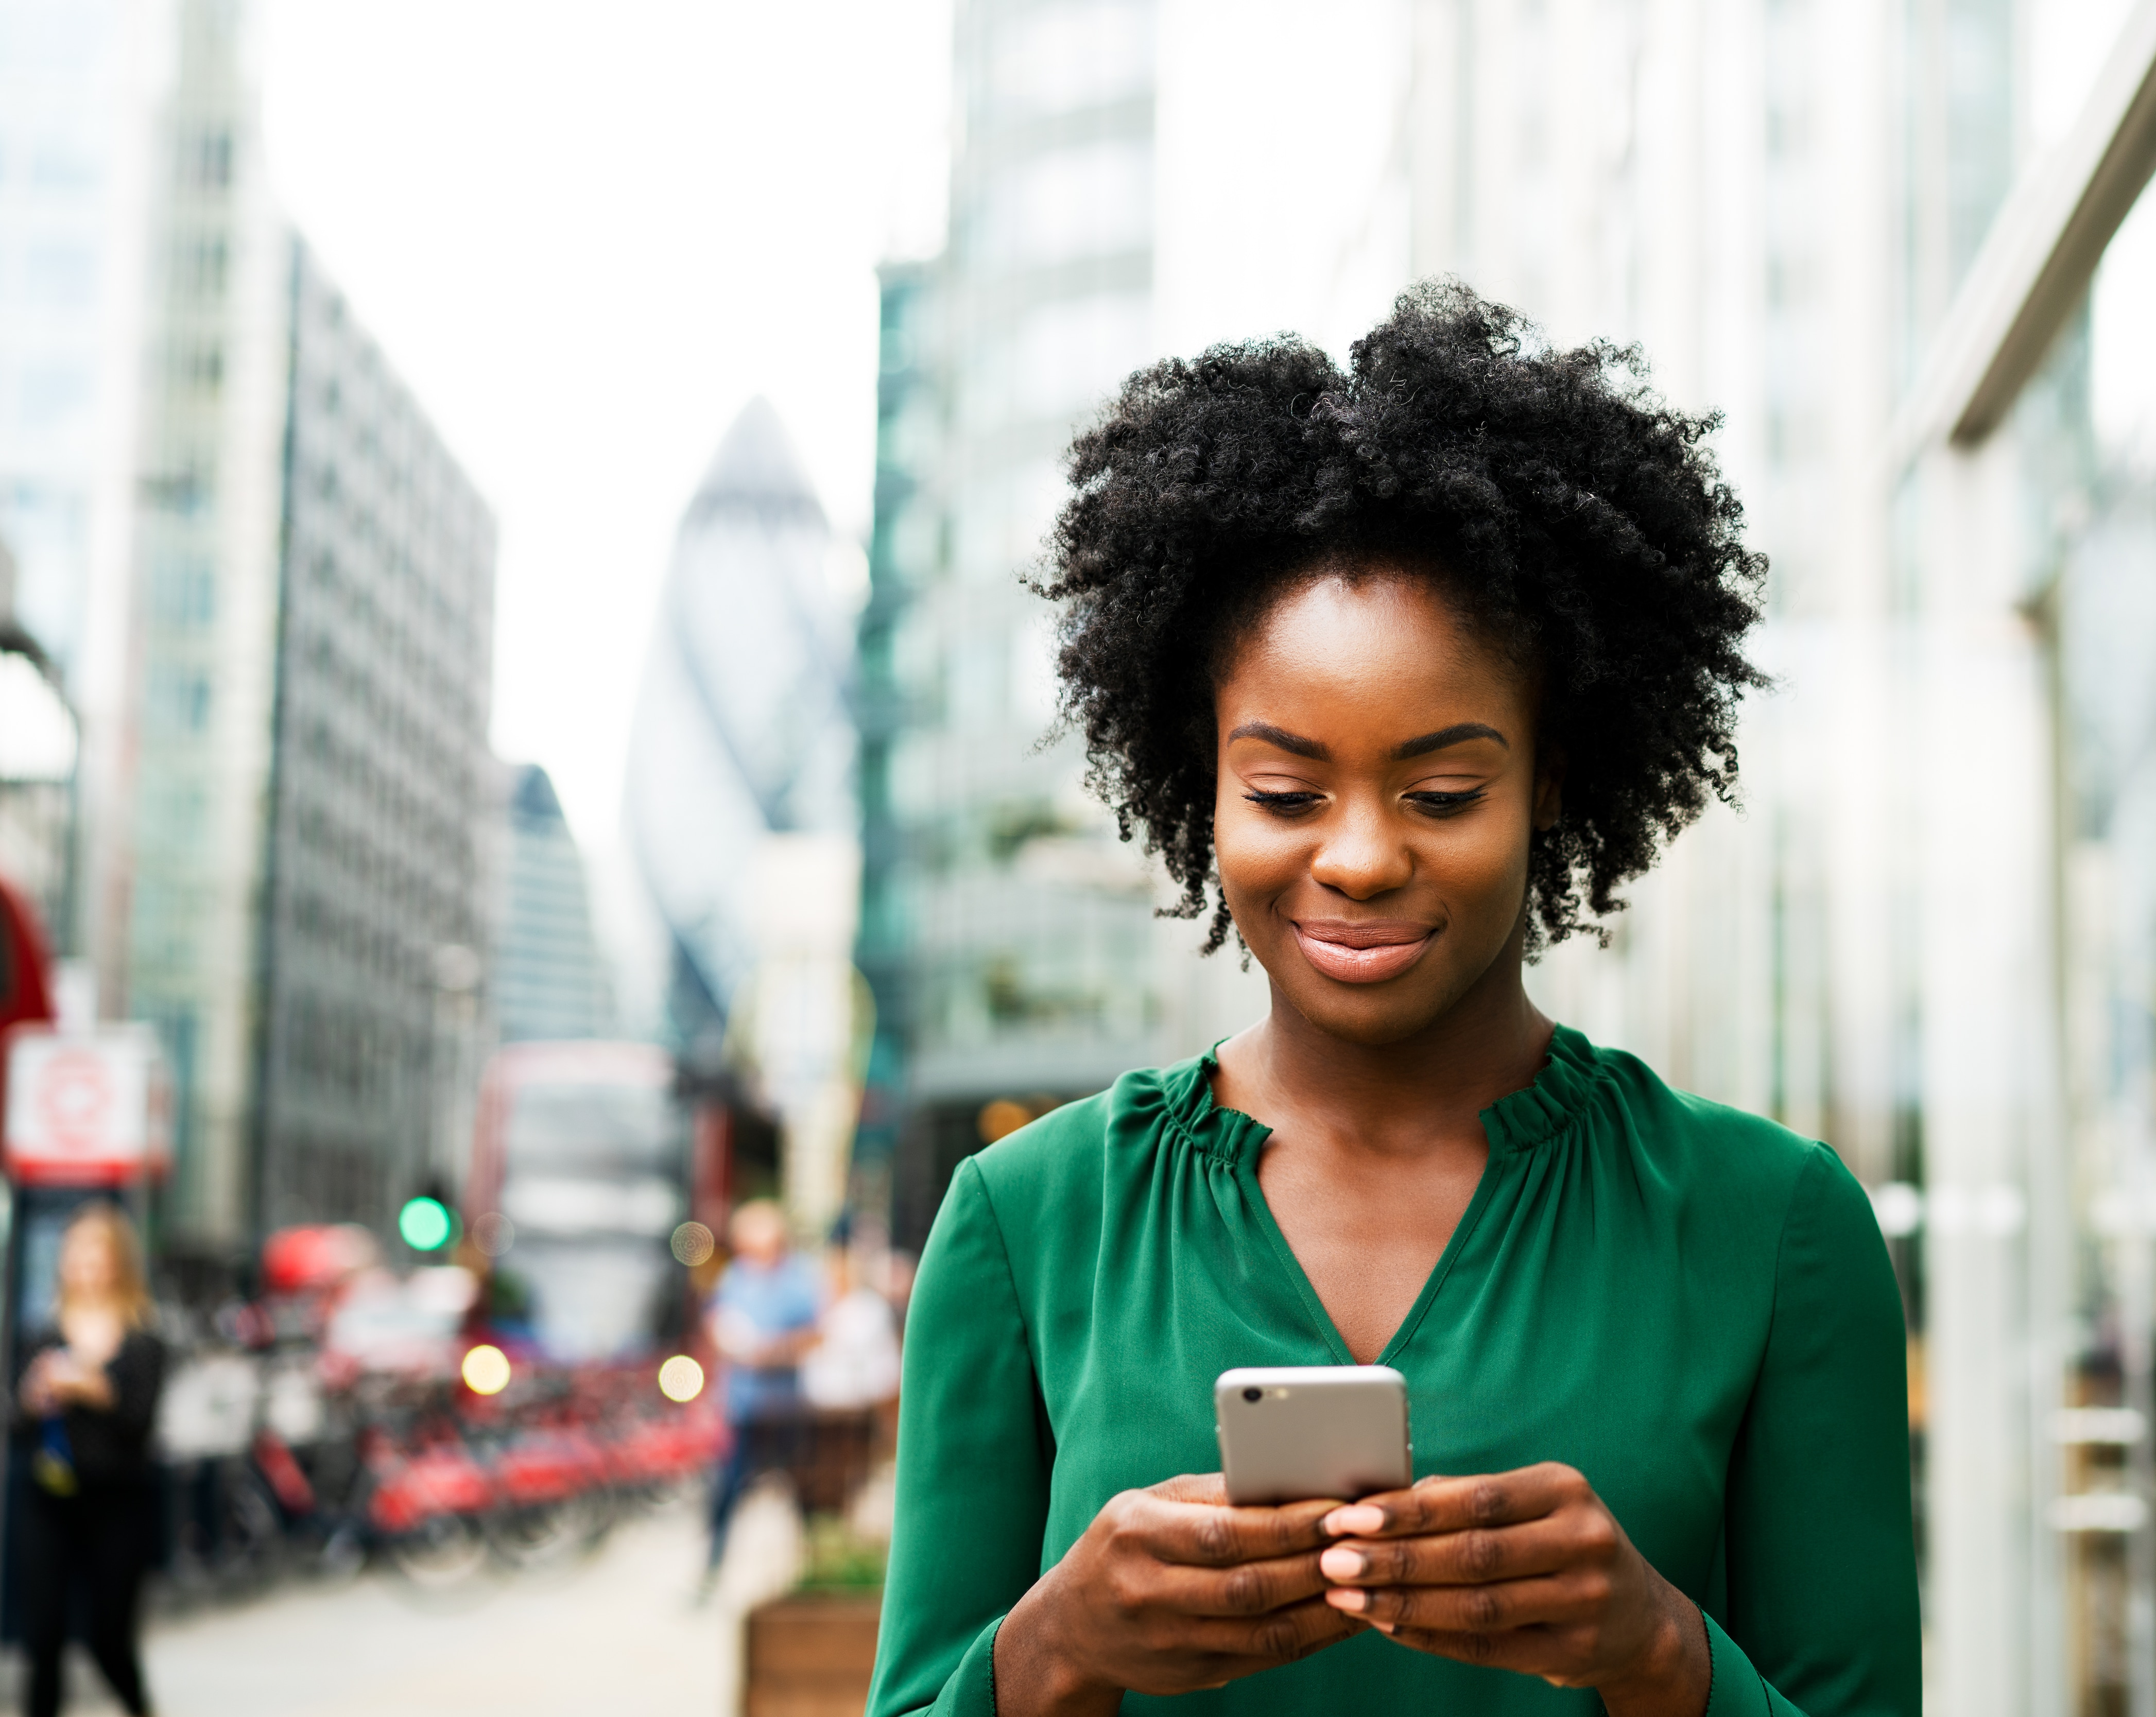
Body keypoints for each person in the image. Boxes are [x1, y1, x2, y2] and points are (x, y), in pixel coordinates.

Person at [871, 283, 1919, 1717]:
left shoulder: (1775, 1225)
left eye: (1442, 790)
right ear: (1205, 784)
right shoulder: (1025, 1222)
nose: (1359, 857)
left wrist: (1664, 1654)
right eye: (1287, 791)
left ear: (1552, 778)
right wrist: (1052, 1652)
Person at [11, 1202, 166, 1717]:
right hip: (48, 1496)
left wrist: (100, 1388)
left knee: (108, 1634)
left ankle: (139, 1705)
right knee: (44, 1633)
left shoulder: (143, 1338)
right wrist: (33, 1397)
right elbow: (16, 1424)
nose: (83, 1264)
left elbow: (141, 1424)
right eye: (75, 1252)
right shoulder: (42, 1332)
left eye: (94, 1252)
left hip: (117, 1499)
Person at [703, 1198, 822, 1581]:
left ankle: (811, 1565)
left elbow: (816, 1334)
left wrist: (771, 1352)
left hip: (785, 1405)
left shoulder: (799, 1278)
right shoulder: (735, 1276)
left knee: (802, 1490)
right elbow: (716, 1320)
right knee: (726, 1491)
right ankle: (713, 1566)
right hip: (743, 1404)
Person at [797, 1227, 903, 1516]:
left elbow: (883, 1363)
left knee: (848, 1476)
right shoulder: (818, 1306)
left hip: (854, 1410)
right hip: (816, 1410)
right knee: (815, 1477)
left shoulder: (867, 1310)